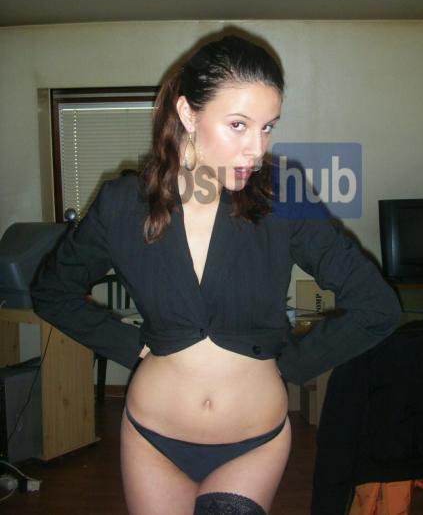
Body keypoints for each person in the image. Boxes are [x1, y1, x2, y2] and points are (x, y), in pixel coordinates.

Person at [31, 33, 401, 515]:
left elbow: (377, 306)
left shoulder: (284, 196)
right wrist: (130, 346)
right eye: (239, 125)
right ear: (188, 113)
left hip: (253, 442)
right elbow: (51, 291)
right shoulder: (123, 205)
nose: (256, 149)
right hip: (151, 438)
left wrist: (289, 365)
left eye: (267, 128)